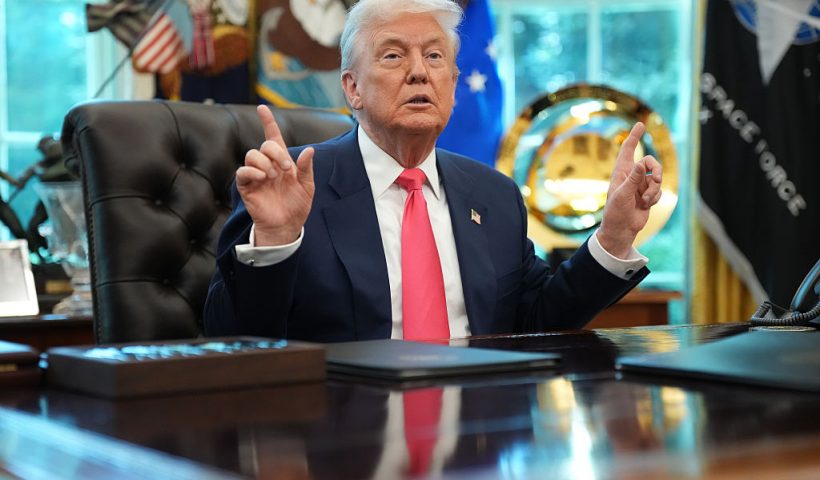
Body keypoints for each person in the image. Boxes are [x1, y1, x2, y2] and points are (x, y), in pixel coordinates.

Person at [204, 0, 663, 342]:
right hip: (344, 437)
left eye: (435, 57)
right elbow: (231, 337)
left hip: (478, 439)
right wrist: (277, 240)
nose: (419, 72)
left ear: (454, 85)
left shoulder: (495, 195)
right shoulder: (293, 186)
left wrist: (614, 237)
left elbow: (539, 322)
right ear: (353, 88)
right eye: (393, 56)